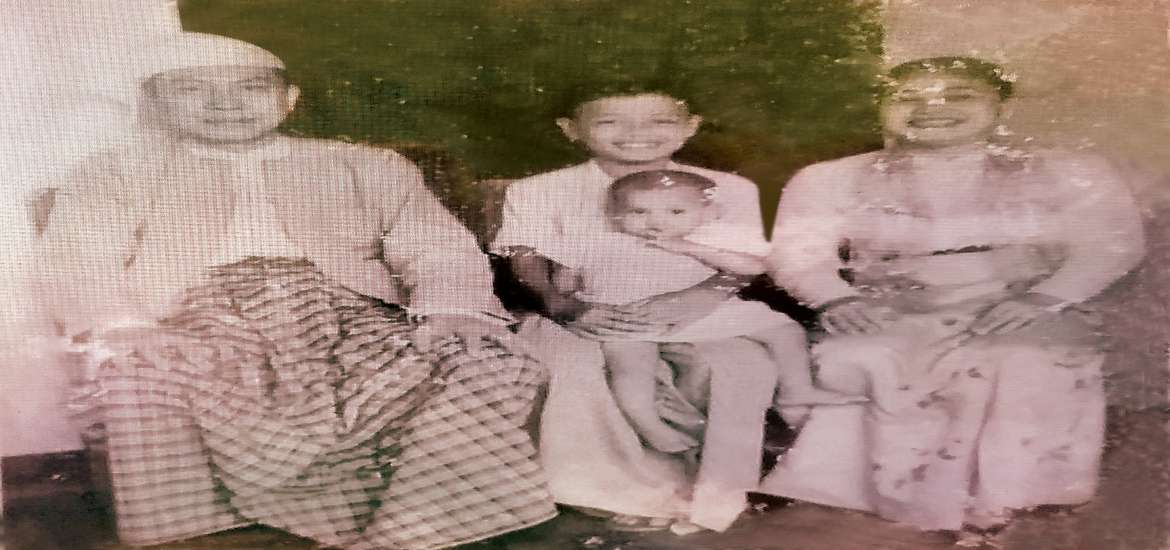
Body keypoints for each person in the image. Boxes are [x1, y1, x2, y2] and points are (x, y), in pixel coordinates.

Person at [34, 32, 556, 550]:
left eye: (251, 87)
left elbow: (435, 247)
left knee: (482, 360)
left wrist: (451, 308)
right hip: (195, 316)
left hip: (351, 311)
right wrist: (123, 323)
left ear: (289, 98)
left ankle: (405, 532)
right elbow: (79, 257)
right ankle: (209, 533)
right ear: (158, 101)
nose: (224, 104)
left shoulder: (370, 165)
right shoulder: (115, 171)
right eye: (192, 89)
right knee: (140, 370)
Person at [760, 56, 1145, 541]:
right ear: (880, 108)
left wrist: (1045, 299)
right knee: (865, 353)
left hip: (1020, 298)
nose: (932, 108)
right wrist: (836, 300)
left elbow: (1113, 243)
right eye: (907, 98)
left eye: (959, 95)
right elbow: (796, 254)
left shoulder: (1068, 170)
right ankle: (873, 493)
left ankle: (1006, 494)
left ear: (1001, 107)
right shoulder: (828, 178)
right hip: (889, 300)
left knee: (1020, 357)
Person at [493, 88, 779, 534]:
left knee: (739, 363)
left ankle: (715, 489)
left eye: (659, 121)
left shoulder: (728, 189)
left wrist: (696, 300)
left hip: (700, 308)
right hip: (583, 308)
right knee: (573, 365)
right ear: (570, 129)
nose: (636, 134)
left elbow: (744, 262)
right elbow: (525, 257)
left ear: (690, 127)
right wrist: (564, 305)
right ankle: (611, 489)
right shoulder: (538, 189)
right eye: (610, 121)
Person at [546, 169, 860, 453]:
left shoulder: (703, 240)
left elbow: (752, 267)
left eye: (676, 212)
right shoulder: (595, 241)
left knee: (784, 329)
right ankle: (648, 423)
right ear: (616, 215)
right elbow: (564, 283)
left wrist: (692, 248)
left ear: (708, 213)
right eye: (638, 212)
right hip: (627, 317)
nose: (656, 222)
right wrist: (576, 292)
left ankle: (797, 390)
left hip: (699, 314)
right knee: (631, 371)